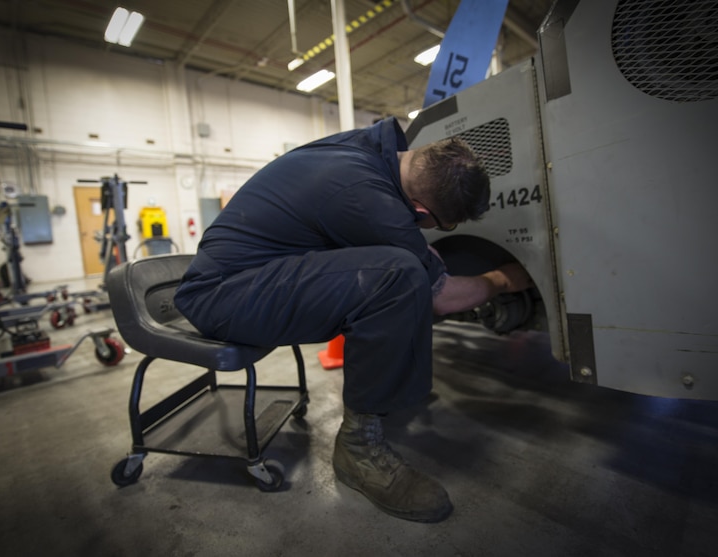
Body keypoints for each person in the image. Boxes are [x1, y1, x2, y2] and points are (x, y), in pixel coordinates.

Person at [174, 116, 532, 522]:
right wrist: (503, 280)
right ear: (419, 209)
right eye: (443, 224)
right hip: (223, 297)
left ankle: (382, 396)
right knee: (400, 275)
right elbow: (445, 299)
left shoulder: (370, 153)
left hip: (250, 279)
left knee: (406, 268)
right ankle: (358, 451)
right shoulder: (365, 195)